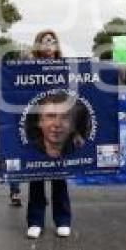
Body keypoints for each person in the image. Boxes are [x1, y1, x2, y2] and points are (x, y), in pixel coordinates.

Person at [25, 29, 72, 239]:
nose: (48, 45)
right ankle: (35, 221)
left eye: (52, 41)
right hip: (38, 126)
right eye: (44, 41)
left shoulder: (66, 67)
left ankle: (63, 220)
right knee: (36, 174)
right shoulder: (28, 68)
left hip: (59, 127)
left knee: (59, 175)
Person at [25, 91, 89, 159]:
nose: (57, 124)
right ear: (39, 122)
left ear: (73, 125)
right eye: (51, 116)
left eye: (65, 117)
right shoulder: (26, 151)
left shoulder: (84, 151)